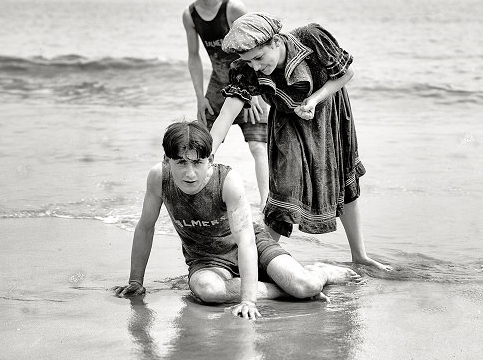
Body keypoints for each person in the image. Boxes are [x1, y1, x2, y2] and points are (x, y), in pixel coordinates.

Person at [114, 121, 360, 320]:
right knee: (206, 290)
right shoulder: (159, 178)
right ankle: (282, 289)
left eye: (197, 162)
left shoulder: (227, 181)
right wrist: (136, 281)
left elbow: (246, 242)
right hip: (207, 261)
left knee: (306, 286)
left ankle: (320, 273)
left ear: (210, 159)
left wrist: (248, 301)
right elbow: (145, 228)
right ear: (168, 161)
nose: (190, 173)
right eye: (181, 162)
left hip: (253, 246)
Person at [208, 13, 388, 271]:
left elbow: (346, 73)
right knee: (284, 188)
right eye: (250, 62)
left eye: (259, 58)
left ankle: (359, 255)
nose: (256, 67)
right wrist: (208, 156)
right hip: (287, 122)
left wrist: (314, 100)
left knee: (345, 180)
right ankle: (255, 263)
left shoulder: (311, 37)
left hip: (329, 114)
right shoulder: (246, 69)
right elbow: (226, 115)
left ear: (275, 42)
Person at [182, 0, 269, 206]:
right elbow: (194, 56)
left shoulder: (232, 7)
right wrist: (200, 98)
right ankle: (200, 200)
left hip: (248, 83)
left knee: (257, 147)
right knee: (202, 146)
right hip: (218, 85)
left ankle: (266, 206)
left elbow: (253, 48)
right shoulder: (190, 15)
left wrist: (253, 93)